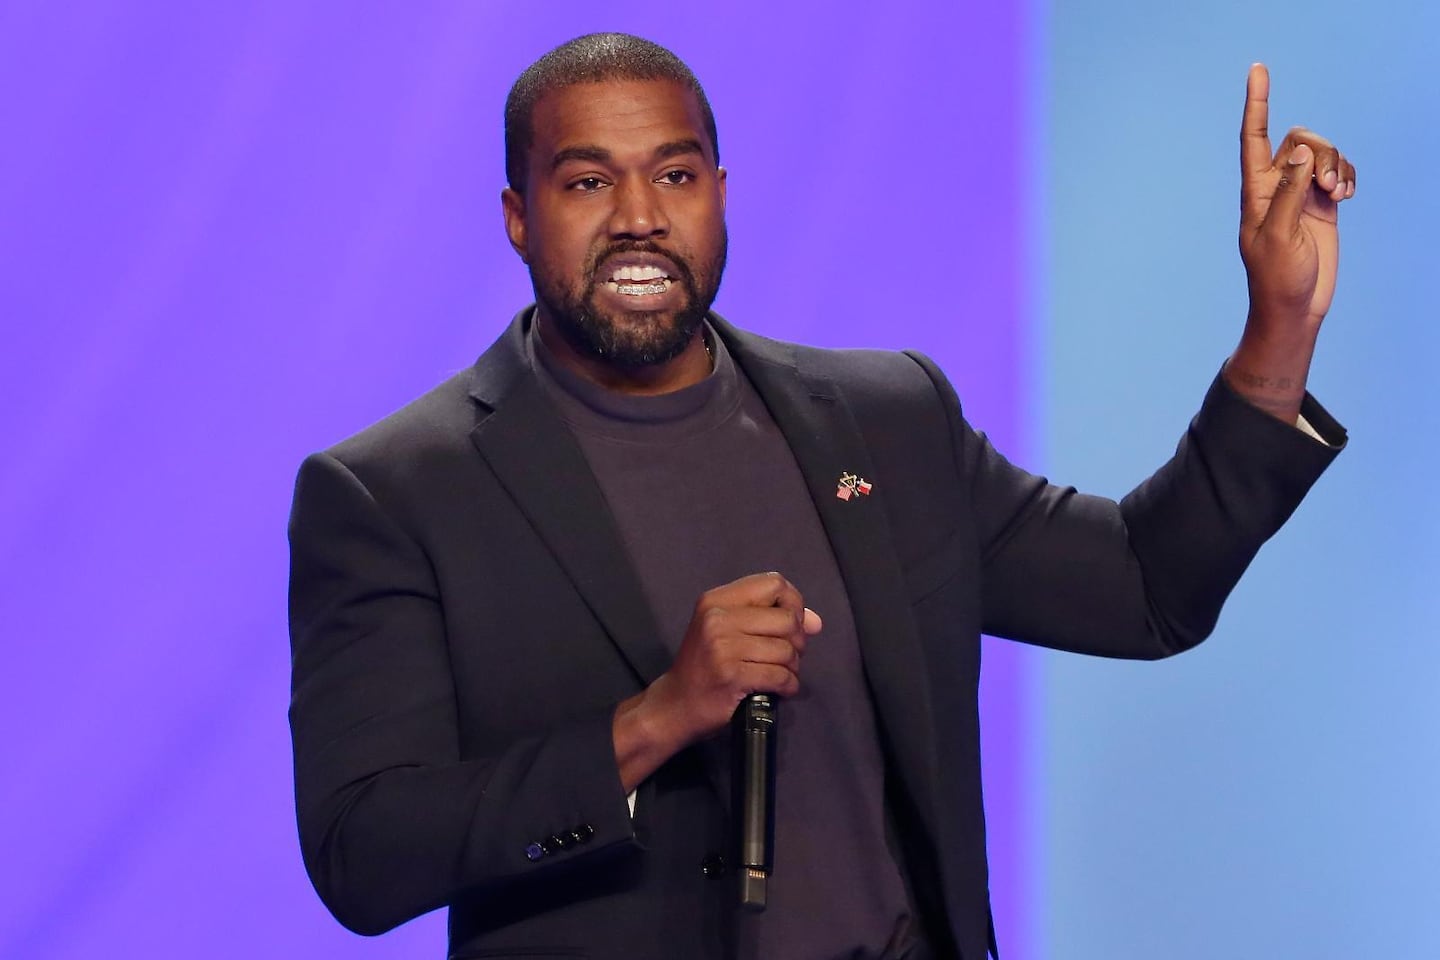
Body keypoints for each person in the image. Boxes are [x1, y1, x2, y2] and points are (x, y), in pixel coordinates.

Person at [287, 32, 1353, 960]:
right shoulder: (396, 493)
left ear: (719, 189)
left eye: (676, 175)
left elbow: (1142, 587)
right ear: (520, 216)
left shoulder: (885, 418)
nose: (640, 219)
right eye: (586, 183)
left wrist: (1280, 329)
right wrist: (653, 721)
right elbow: (365, 857)